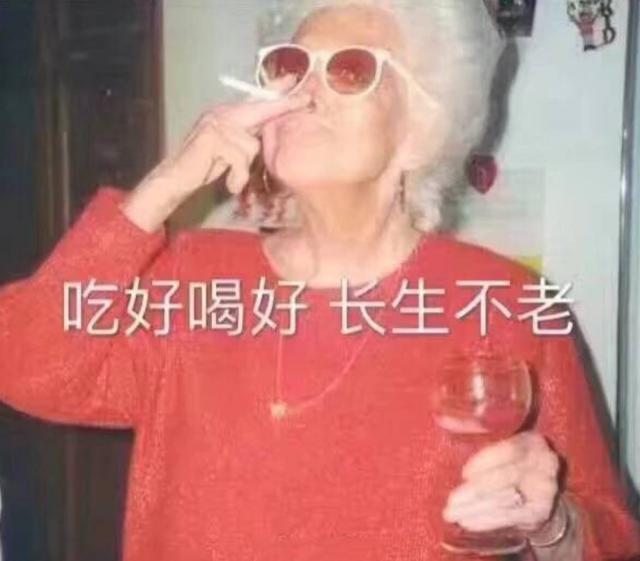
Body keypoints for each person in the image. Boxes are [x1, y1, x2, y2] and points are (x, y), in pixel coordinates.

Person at [0, 1, 639, 560]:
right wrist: (161, 190)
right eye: (289, 67)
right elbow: (24, 363)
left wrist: (550, 522)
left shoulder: (505, 303)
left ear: (421, 129)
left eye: (350, 69)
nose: (303, 92)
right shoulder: (191, 280)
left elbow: (609, 538)